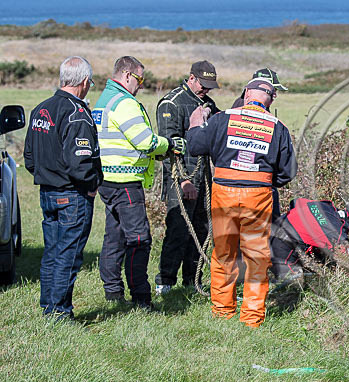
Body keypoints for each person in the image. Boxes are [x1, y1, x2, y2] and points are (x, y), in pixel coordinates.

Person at [186, 78, 296, 327]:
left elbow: (194, 146)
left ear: (246, 93)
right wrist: (264, 180)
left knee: (224, 253)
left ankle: (222, 311)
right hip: (258, 196)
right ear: (272, 99)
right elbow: (288, 172)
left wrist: (194, 125)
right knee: (256, 257)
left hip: (223, 192)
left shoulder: (223, 118)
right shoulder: (278, 127)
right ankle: (252, 318)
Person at [92, 56, 182, 310]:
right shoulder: (124, 103)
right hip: (125, 180)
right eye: (140, 79)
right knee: (139, 239)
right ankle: (141, 297)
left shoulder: (104, 100)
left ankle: (113, 292)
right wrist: (170, 144)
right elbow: (145, 142)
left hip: (106, 179)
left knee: (115, 237)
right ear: (127, 75)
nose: (141, 86)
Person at [23, 56, 102, 321]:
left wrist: (48, 176)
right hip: (72, 195)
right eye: (90, 83)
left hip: (48, 192)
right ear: (84, 82)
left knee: (53, 252)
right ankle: (58, 312)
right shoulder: (76, 113)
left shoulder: (40, 109)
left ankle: (49, 306)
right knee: (67, 255)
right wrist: (91, 185)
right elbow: (80, 162)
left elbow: (30, 158)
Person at [154, 60, 221, 295]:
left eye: (209, 87)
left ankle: (193, 281)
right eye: (203, 85)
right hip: (182, 179)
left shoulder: (208, 104)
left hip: (205, 177)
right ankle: (165, 281)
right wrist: (184, 180)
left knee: (202, 231)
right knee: (179, 231)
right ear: (191, 78)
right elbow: (168, 146)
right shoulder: (172, 103)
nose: (206, 90)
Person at [232, 67, 288, 222]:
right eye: (273, 89)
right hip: (252, 184)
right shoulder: (243, 108)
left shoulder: (257, 106)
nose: (275, 94)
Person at [270, 199, 349, 279]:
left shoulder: (326, 206)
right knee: (293, 286)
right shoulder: (337, 232)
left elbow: (296, 201)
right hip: (282, 249)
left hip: (271, 231)